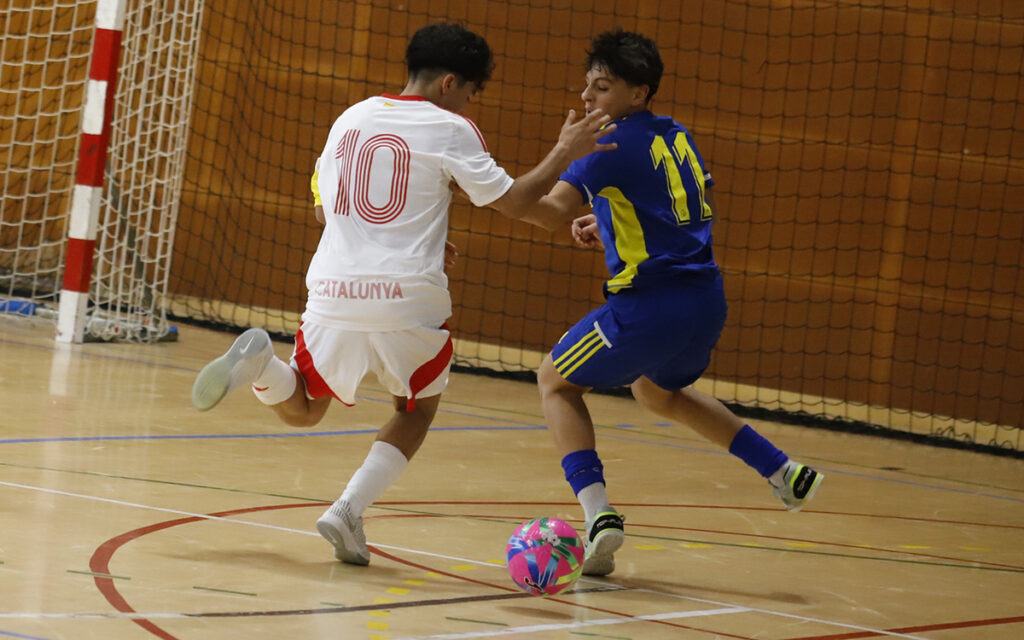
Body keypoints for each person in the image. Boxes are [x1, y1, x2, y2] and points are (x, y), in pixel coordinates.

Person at [190, 22, 616, 566]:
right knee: (415, 409)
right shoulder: (453, 127)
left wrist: (424, 235)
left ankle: (261, 369)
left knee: (302, 408)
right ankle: (347, 508)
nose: (468, 103)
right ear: (450, 83)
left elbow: (328, 211)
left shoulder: (350, 118)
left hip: (331, 289)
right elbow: (512, 203)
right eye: (470, 92)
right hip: (406, 296)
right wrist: (564, 151)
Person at [513, 28, 824, 577]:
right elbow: (668, 210)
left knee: (555, 382)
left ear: (638, 93)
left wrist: (556, 156)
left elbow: (542, 212)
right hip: (705, 303)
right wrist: (605, 224)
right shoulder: (674, 135)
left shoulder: (603, 146)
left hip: (649, 307)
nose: (587, 99)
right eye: (587, 86)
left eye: (602, 88)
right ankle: (783, 471)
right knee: (658, 392)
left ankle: (598, 514)